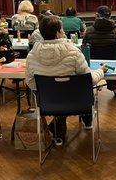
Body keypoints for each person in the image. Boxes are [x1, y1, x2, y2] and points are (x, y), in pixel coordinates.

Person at [26, 15, 106, 144]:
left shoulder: (31, 55)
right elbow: (88, 81)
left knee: (60, 92)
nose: (63, 32)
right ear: (58, 33)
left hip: (47, 103)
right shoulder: (73, 52)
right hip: (76, 102)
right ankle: (87, 120)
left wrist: (47, 89)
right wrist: (101, 71)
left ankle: (59, 131)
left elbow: (30, 82)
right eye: (62, 29)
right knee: (79, 91)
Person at [83, 6, 116, 94]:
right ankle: (115, 86)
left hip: (94, 63)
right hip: (114, 63)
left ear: (96, 15)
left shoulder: (89, 30)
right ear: (110, 16)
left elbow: (85, 47)